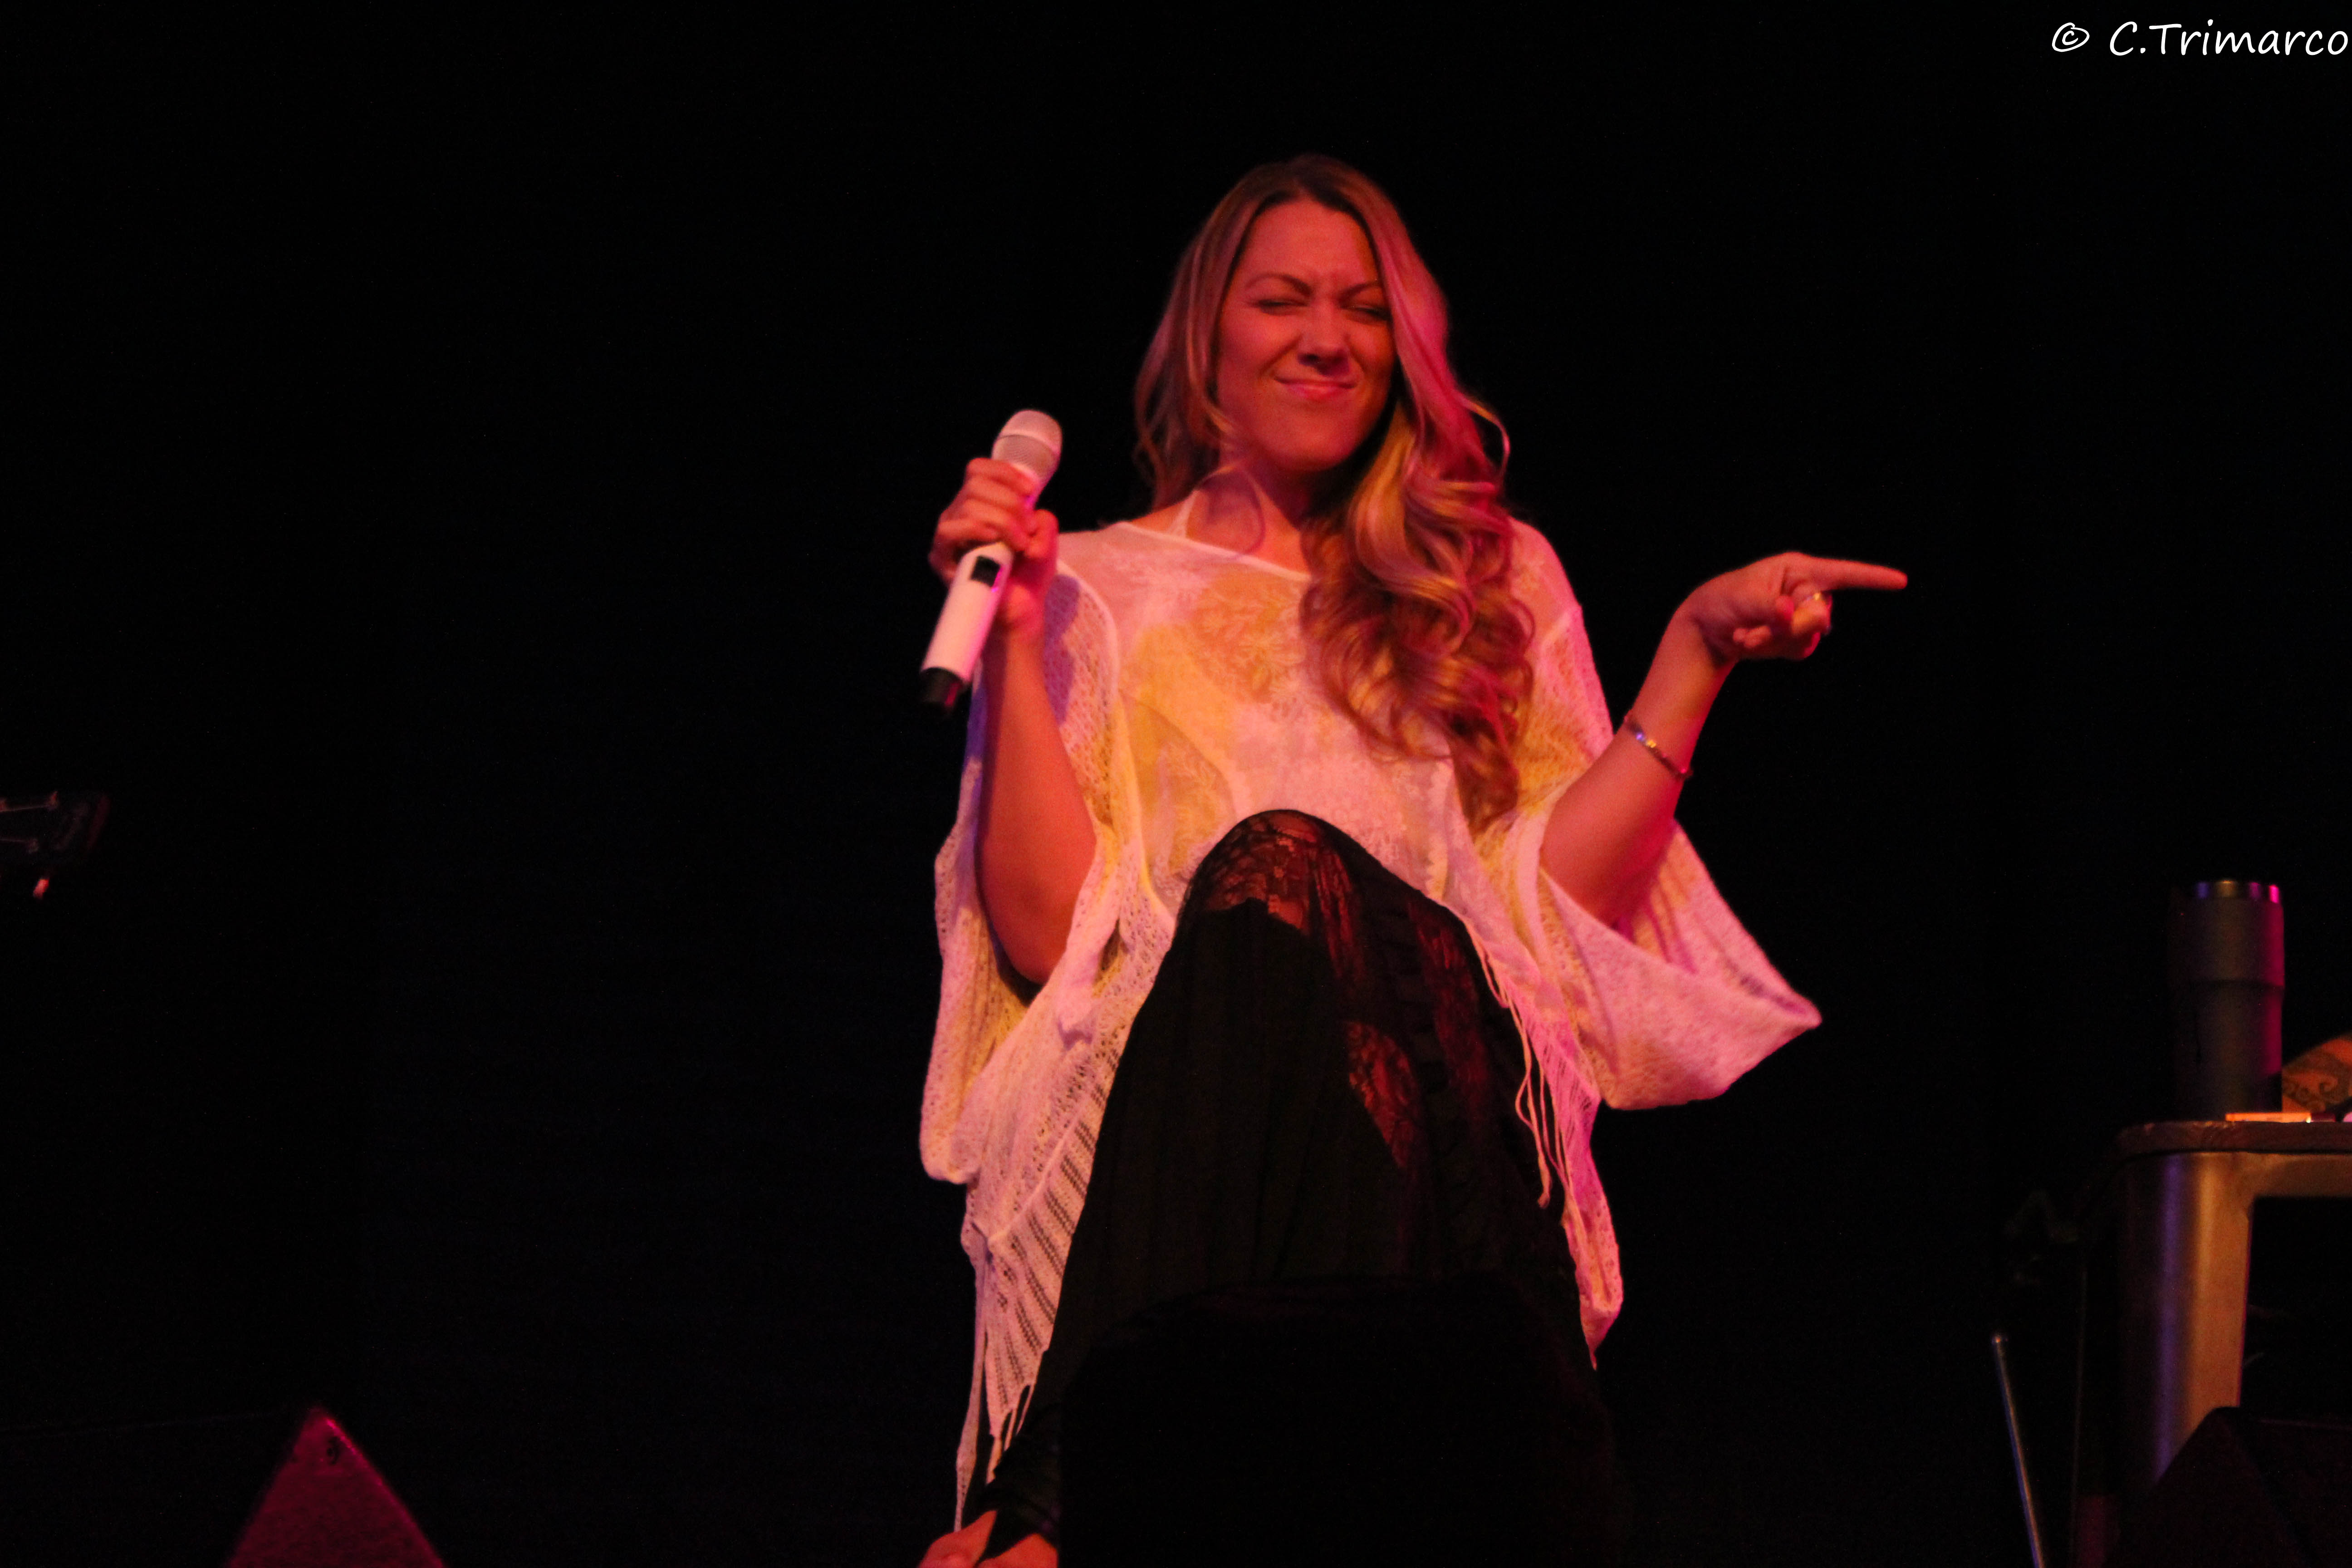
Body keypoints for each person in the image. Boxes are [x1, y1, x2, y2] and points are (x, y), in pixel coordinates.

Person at [916, 154, 1905, 1567]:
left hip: (1442, 1127)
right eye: (1283, 300)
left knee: (1284, 868)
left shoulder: (1486, 581)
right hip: (1190, 1140)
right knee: (1265, 897)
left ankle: (1054, 1501)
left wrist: (1693, 657)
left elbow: (1551, 911)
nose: (1328, 336)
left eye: (1364, 307)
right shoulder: (1093, 586)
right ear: (1206, 338)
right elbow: (1048, 938)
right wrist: (1016, 646)